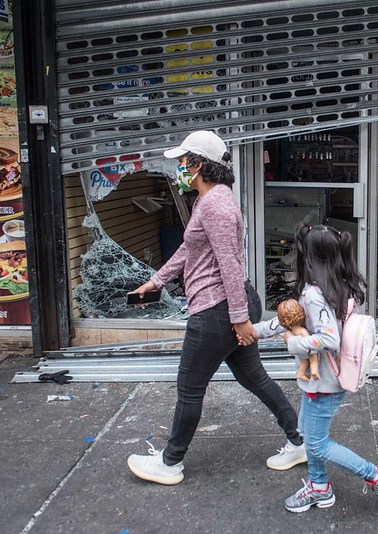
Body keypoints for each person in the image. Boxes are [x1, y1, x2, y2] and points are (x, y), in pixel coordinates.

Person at [126, 130, 306, 485]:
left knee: (190, 387)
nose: (178, 167)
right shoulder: (205, 201)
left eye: (182, 161)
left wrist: (239, 319)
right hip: (225, 308)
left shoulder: (218, 204)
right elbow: (188, 250)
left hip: (218, 309)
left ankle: (170, 462)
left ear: (199, 164)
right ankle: (300, 440)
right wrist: (157, 281)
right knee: (255, 378)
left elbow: (230, 266)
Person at [250, 224, 378, 513]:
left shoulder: (315, 294)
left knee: (317, 444)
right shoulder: (333, 284)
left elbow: (329, 338)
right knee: (309, 435)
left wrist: (293, 345)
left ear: (308, 257)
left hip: (324, 382)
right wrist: (254, 331)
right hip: (320, 380)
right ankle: (320, 488)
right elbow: (290, 320)